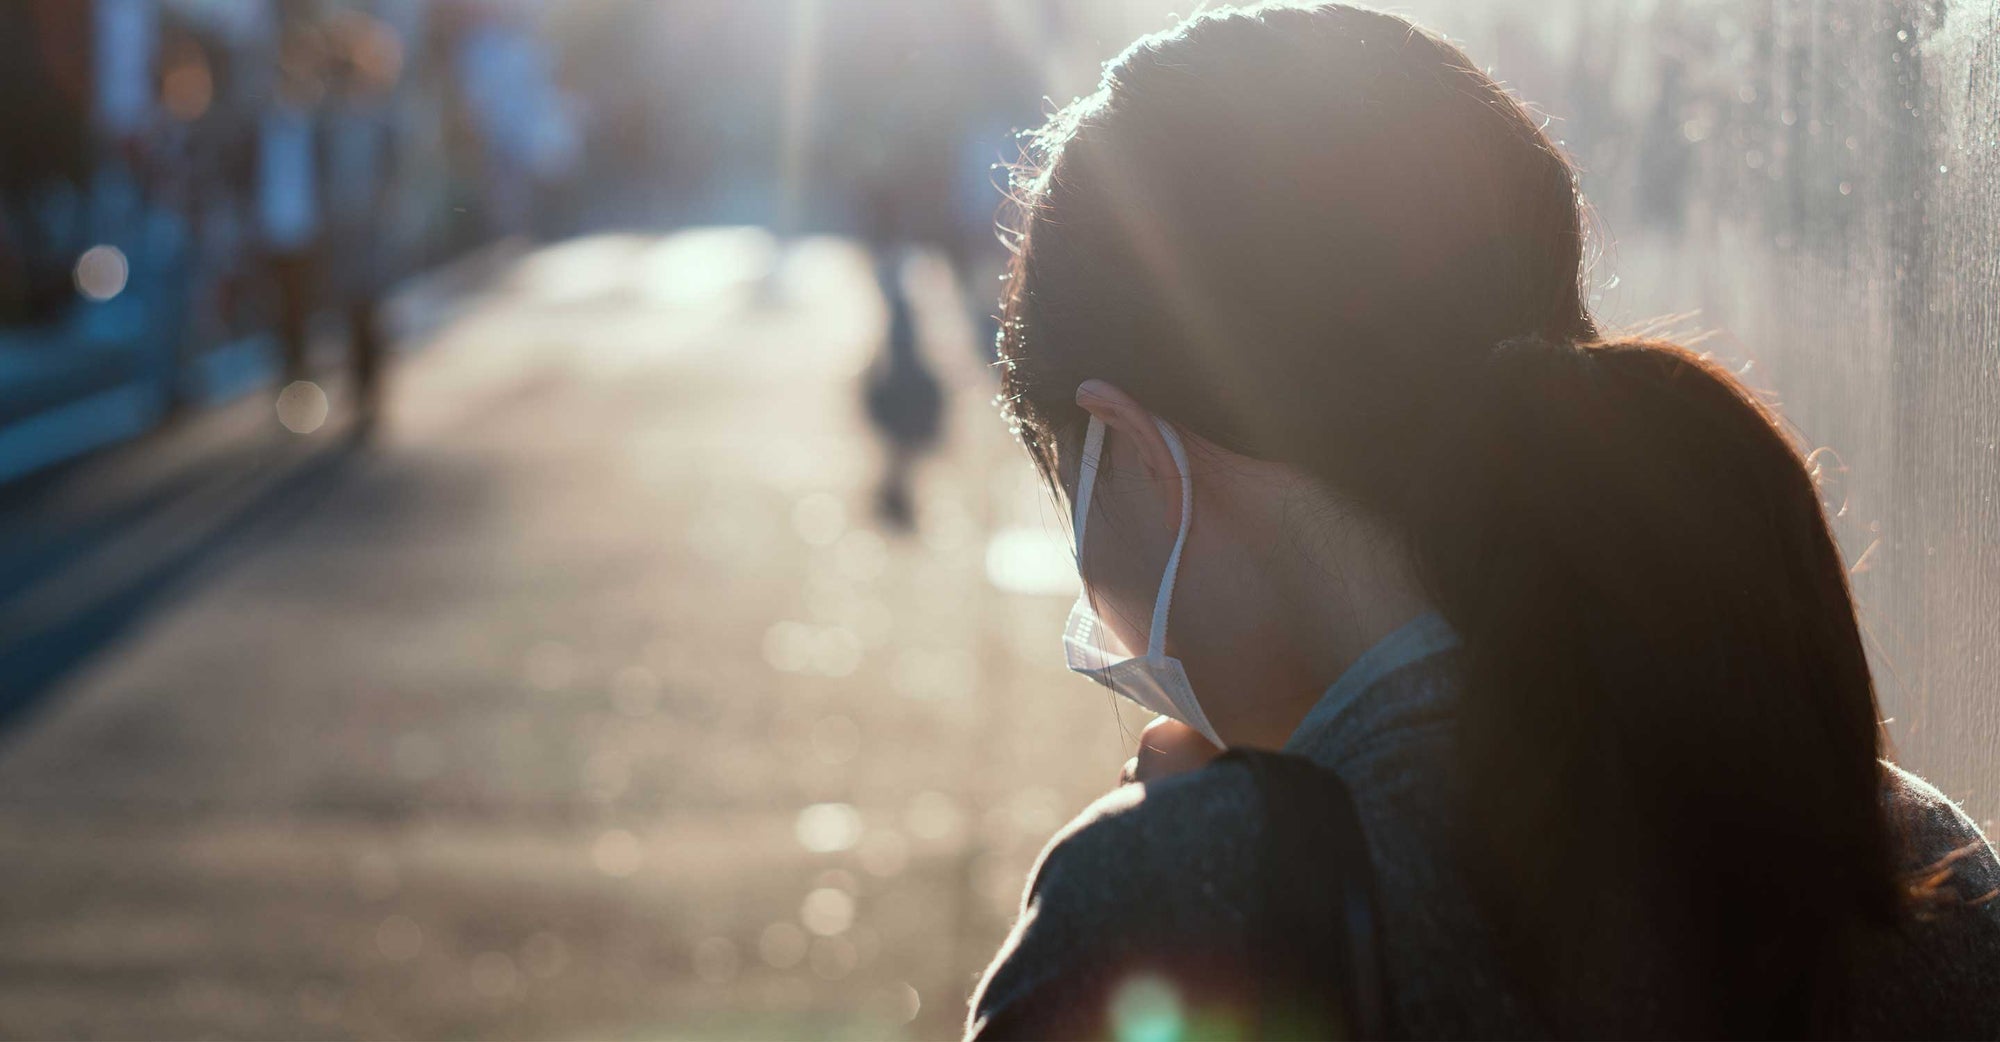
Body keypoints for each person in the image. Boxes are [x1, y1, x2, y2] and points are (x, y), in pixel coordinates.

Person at [966, 4, 2000, 1038]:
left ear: (1134, 450)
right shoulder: (1914, 861)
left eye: (1072, 481)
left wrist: (1190, 848)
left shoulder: (1179, 910)